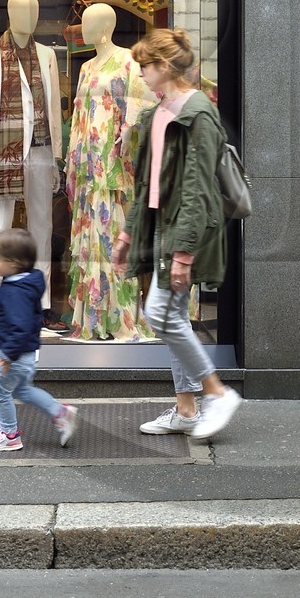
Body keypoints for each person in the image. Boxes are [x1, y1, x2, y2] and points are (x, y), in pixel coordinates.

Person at [112, 28, 243, 441]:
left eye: (145, 66)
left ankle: (216, 391)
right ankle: (187, 409)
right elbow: (145, 184)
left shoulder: (197, 112)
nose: (141, 74)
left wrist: (184, 253)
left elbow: (198, 190)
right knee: (171, 318)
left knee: (159, 315)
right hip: (159, 228)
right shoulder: (159, 111)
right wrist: (129, 235)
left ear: (164, 67)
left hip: (184, 233)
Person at [0, 227, 78, 452]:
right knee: (23, 390)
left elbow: (20, 327)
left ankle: (9, 435)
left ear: (14, 262)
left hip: (13, 356)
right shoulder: (25, 283)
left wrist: (6, 354)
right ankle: (60, 412)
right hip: (25, 353)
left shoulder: (15, 291)